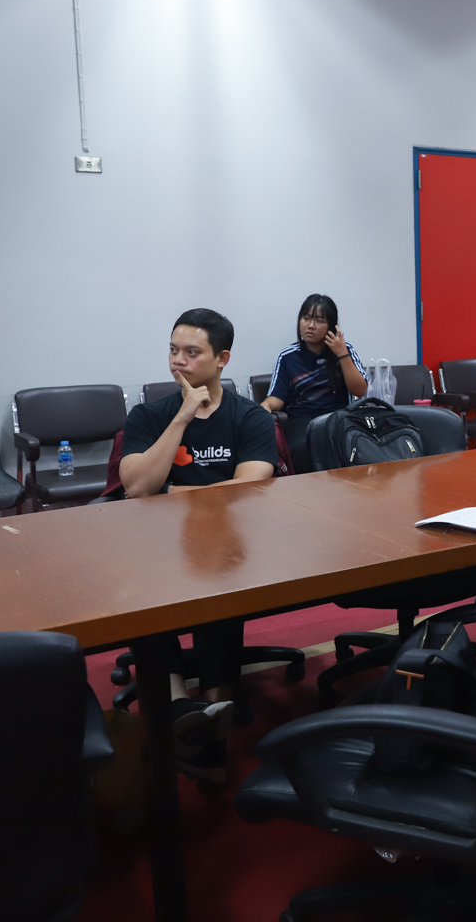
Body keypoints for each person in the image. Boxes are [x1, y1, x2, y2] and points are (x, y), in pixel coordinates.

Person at [120, 307, 278, 782]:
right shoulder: (149, 416)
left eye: (192, 352)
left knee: (219, 573)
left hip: (228, 540)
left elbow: (250, 484)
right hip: (156, 543)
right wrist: (182, 418)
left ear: (222, 359)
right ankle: (177, 706)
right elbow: (136, 487)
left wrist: (172, 491)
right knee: (145, 586)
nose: (178, 361)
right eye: (173, 350)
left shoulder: (250, 417)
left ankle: (214, 705)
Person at [260, 294, 368, 473]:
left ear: (331, 325)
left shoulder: (345, 348)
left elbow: (360, 390)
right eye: (306, 318)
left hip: (339, 417)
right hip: (303, 420)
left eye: (319, 320)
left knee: (356, 443)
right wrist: (266, 405)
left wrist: (342, 354)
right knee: (303, 446)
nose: (310, 325)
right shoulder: (288, 356)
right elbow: (277, 396)